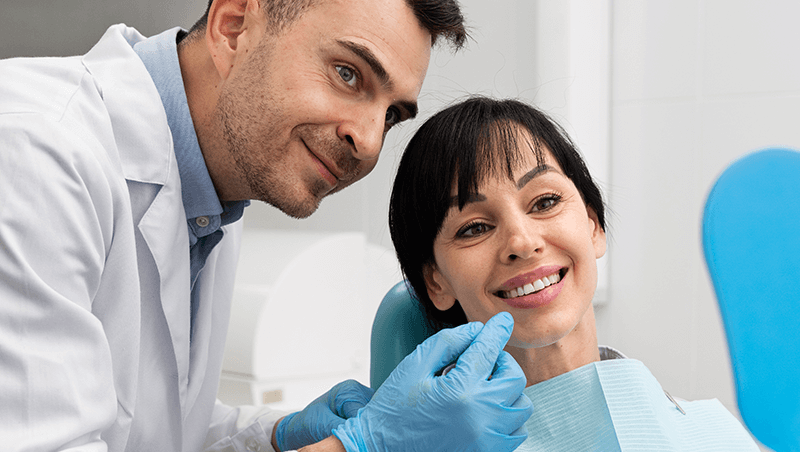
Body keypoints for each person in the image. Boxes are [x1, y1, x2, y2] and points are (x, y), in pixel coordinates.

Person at [0, 1, 534, 451]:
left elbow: (154, 432)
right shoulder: (32, 153)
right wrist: (366, 446)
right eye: (348, 73)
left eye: (392, 114)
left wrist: (277, 436)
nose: (370, 142)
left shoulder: (213, 200)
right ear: (233, 26)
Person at [388, 96, 761, 451]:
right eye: (474, 228)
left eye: (545, 202)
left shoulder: (717, 436)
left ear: (593, 225)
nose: (522, 241)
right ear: (435, 281)